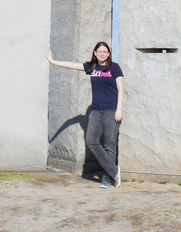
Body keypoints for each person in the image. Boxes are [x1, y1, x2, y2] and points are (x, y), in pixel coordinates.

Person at [46, 41, 124, 188]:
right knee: (91, 141)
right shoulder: (91, 67)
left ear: (108, 53)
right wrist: (53, 61)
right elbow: (71, 65)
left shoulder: (114, 67)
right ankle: (114, 171)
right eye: (99, 51)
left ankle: (107, 179)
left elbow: (121, 89)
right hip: (96, 111)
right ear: (95, 53)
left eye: (105, 51)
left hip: (111, 111)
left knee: (109, 145)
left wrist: (119, 109)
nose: (102, 53)